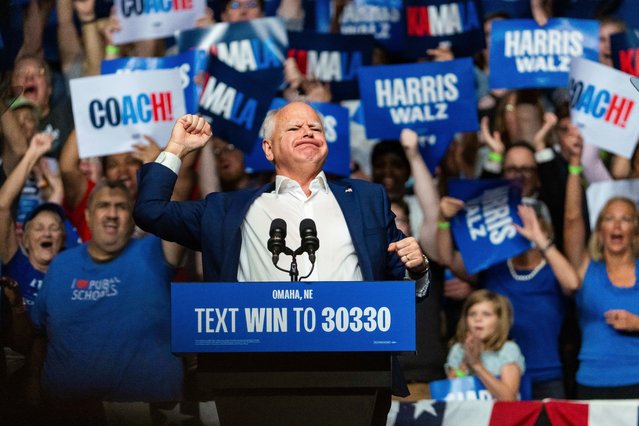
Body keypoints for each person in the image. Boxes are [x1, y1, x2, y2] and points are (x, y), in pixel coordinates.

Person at [133, 103, 431, 418]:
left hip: (353, 373)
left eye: (315, 128)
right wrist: (177, 148)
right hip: (251, 375)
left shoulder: (367, 199)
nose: (308, 132)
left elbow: (403, 282)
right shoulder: (226, 210)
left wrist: (418, 267)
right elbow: (151, 211)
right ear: (269, 149)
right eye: (294, 128)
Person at [29, 180, 185, 422]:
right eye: (104, 205)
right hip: (66, 415)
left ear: (133, 218)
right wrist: (32, 381)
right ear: (88, 216)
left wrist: (166, 159)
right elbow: (38, 333)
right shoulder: (61, 265)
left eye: (121, 207)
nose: (112, 214)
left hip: (148, 414)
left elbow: (176, 217)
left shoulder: (156, 251)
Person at [563, 142, 639, 399]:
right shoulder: (586, 267)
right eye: (609, 218)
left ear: (634, 231)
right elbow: (572, 221)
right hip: (592, 382)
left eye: (626, 219)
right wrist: (574, 167)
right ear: (600, 228)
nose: (617, 225)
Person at [446, 289, 525, 401]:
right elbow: (449, 391)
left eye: (486, 314)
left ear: (499, 320)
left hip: (499, 416)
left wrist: (477, 365)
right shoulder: (458, 349)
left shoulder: (507, 350)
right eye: (472, 314)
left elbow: (509, 399)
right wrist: (465, 363)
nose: (478, 319)